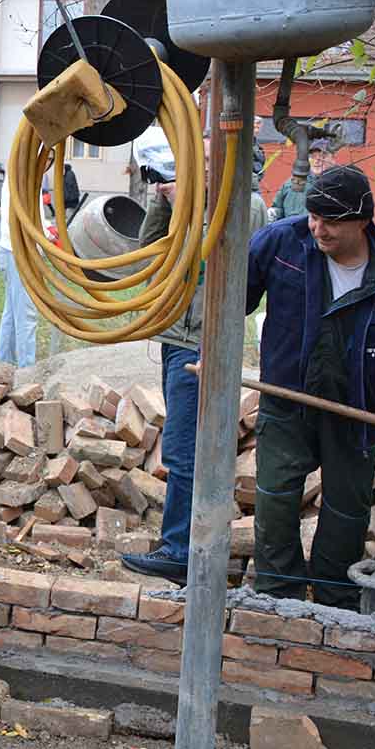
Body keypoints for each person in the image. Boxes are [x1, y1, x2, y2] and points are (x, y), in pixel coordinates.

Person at [247, 165, 375, 608]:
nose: (317, 228)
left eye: (329, 220)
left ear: (362, 221)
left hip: (356, 410)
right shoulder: (282, 243)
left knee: (346, 512)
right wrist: (209, 343)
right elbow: (232, 293)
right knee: (275, 500)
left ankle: (335, 604)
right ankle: (278, 597)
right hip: (287, 402)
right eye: (313, 216)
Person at [121, 154, 268, 584]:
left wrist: (191, 202)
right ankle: (184, 544)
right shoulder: (188, 205)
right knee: (183, 445)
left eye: (206, 160)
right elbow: (149, 254)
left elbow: (239, 271)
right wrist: (162, 203)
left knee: (185, 449)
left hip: (204, 342)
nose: (195, 167)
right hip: (174, 335)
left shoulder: (247, 204)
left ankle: (181, 551)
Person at [0, 176, 39, 368]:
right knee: (26, 316)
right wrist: (46, 235)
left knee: (12, 314)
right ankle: (27, 371)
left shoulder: (20, 173)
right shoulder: (22, 176)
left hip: (12, 250)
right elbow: (24, 219)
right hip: (17, 252)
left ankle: (4, 366)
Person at [270, 140, 330, 221]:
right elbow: (277, 208)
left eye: (322, 157)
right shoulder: (290, 183)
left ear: (332, 158)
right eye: (312, 157)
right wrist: (273, 214)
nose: (317, 161)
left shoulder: (338, 185)